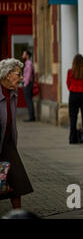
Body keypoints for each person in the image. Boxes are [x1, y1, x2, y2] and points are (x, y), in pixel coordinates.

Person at [0, 58, 34, 209]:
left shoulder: (13, 92)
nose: (21, 78)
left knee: (17, 181)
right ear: (8, 75)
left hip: (7, 142)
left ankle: (18, 214)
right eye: (18, 74)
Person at [66, 54, 83, 144]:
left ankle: (72, 139)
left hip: (73, 95)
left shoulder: (70, 72)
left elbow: (68, 83)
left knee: (73, 118)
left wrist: (73, 89)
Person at [21, 50, 35, 122]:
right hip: (27, 83)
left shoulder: (29, 64)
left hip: (28, 84)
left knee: (29, 100)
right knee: (29, 100)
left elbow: (28, 75)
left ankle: (31, 117)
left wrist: (25, 84)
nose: (22, 56)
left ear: (27, 56)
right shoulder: (27, 63)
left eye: (23, 54)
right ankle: (31, 116)